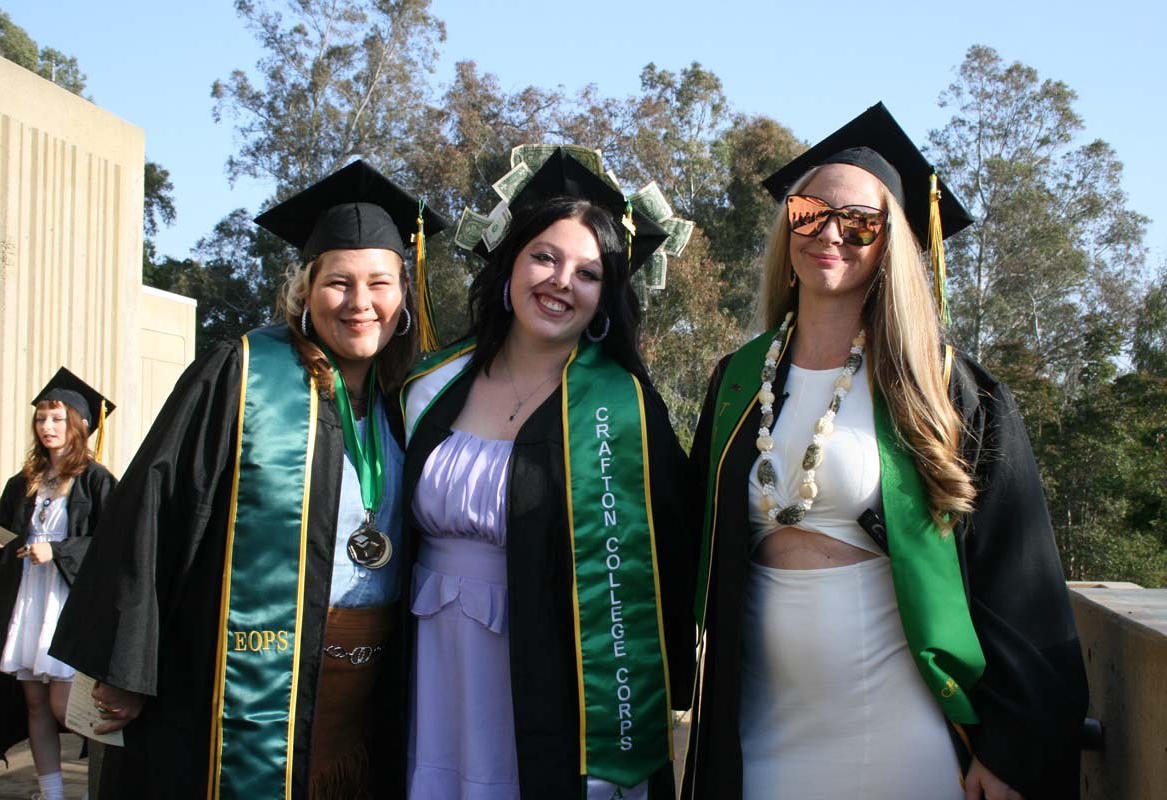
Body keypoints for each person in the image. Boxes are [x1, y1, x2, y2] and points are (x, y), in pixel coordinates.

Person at [681, 103, 1089, 800]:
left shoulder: (942, 388)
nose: (829, 233)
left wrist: (1012, 748)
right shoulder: (738, 381)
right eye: (810, 212)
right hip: (756, 714)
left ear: (891, 242)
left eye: (859, 222)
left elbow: (1017, 579)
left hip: (893, 722)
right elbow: (685, 538)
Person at [48, 160, 448, 799]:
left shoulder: (412, 399)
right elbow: (155, 506)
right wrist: (123, 664)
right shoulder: (242, 376)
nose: (360, 303)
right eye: (337, 283)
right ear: (305, 290)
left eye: (380, 282)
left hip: (369, 693)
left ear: (404, 293)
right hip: (250, 681)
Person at [400, 147, 696, 799]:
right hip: (428, 661)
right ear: (509, 263)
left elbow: (670, 556)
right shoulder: (428, 387)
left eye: (588, 273)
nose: (561, 281)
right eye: (544, 256)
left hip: (550, 670)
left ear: (605, 298)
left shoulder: (621, 410)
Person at [0, 368, 116, 800]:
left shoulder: (96, 480)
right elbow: (7, 532)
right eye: (41, 419)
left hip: (67, 603)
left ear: (80, 425)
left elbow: (115, 544)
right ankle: (51, 793)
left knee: (64, 706)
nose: (48, 427)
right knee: (35, 704)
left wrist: (57, 551)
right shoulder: (24, 482)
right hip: (27, 601)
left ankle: (108, 784)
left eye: (57, 418)